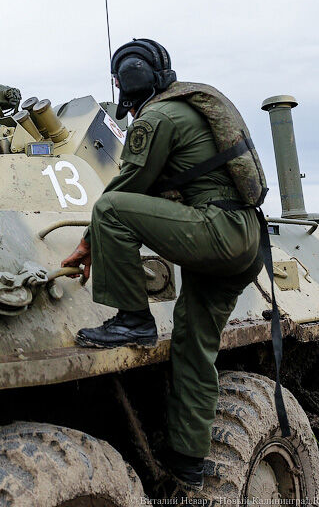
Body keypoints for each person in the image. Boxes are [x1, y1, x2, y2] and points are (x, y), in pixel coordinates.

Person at [61, 38, 264, 488]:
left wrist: (89, 244)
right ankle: (187, 462)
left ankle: (133, 320)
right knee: (194, 344)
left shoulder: (157, 117)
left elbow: (124, 191)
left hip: (217, 229)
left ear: (129, 80)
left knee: (110, 210)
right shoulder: (186, 107)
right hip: (245, 238)